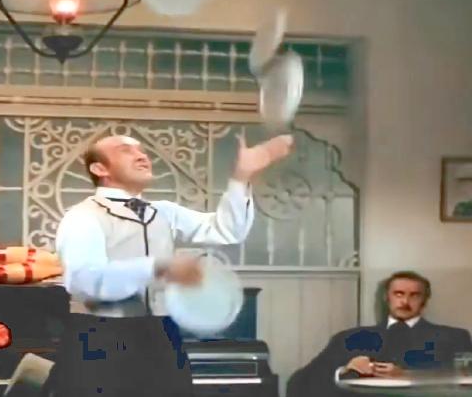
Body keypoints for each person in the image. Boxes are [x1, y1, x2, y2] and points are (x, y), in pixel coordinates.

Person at [46, 133, 294, 397]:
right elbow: (84, 280)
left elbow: (226, 230)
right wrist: (158, 267)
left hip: (160, 335)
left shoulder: (163, 211)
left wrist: (241, 177)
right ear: (100, 168)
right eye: (125, 150)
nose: (142, 156)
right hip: (98, 339)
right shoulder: (83, 216)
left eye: (142, 150)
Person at [286, 271, 472, 397]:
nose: (405, 301)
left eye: (414, 295)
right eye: (399, 294)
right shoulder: (350, 338)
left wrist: (409, 375)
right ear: (387, 297)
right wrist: (343, 370)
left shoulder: (453, 338)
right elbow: (299, 383)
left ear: (425, 300)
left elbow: (465, 381)